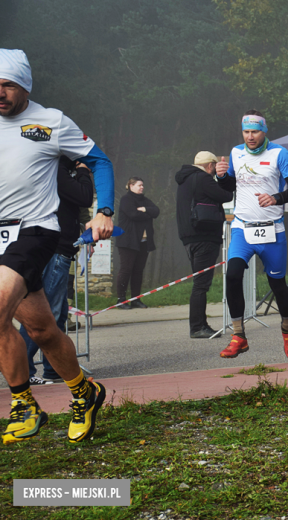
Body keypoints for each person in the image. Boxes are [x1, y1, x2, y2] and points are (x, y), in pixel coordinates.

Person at [0, 48, 114, 444]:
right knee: (42, 329)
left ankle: (22, 403)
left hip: (35, 230)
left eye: (7, 85)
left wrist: (105, 210)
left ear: (25, 87)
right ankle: (85, 392)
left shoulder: (51, 122)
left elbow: (100, 161)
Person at [215, 110, 288, 359]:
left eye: (255, 131)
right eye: (246, 131)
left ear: (264, 131)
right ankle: (239, 336)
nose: (250, 136)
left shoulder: (279, 153)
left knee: (277, 284)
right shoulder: (236, 153)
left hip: (271, 230)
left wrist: (276, 197)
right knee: (232, 275)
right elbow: (229, 188)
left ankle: (287, 329)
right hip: (243, 228)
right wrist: (221, 176)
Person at [24, 157, 93, 385]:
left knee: (60, 313)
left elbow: (77, 207)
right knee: (47, 316)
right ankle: (23, 370)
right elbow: (83, 196)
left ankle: (53, 370)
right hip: (54, 250)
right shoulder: (55, 169)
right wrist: (83, 172)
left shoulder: (59, 170)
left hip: (61, 248)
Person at [175, 151, 234, 338]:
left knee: (199, 282)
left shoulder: (184, 180)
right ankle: (197, 327)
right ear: (211, 166)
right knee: (201, 284)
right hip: (205, 236)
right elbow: (226, 195)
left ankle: (200, 324)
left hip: (189, 237)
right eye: (215, 168)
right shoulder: (203, 178)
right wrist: (223, 178)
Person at [115, 177, 159, 309]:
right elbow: (133, 214)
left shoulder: (144, 201)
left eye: (142, 185)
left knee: (138, 271)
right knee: (126, 269)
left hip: (143, 242)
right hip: (128, 241)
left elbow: (156, 211)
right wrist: (148, 214)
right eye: (139, 185)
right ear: (131, 185)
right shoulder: (126, 199)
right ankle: (121, 300)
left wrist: (145, 210)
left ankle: (136, 299)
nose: (142, 187)